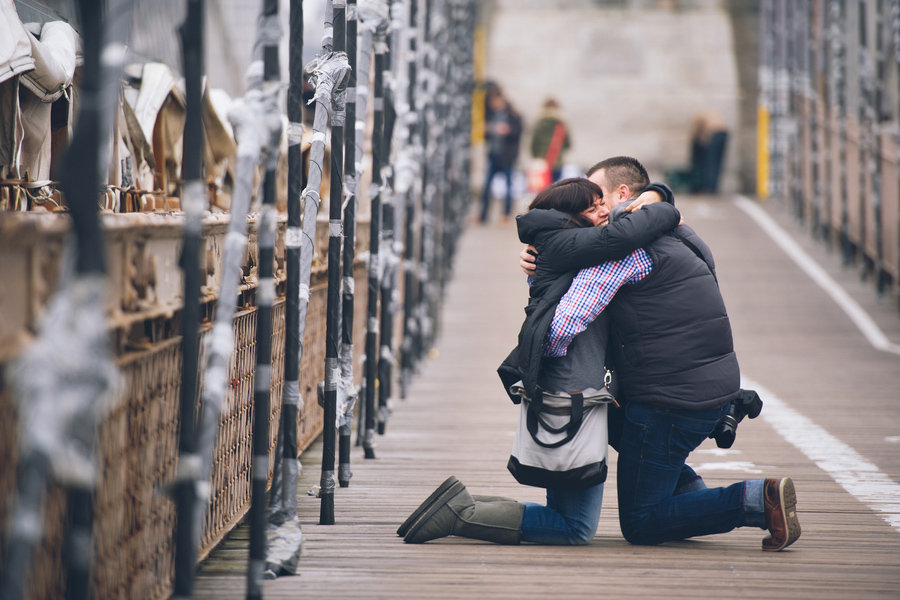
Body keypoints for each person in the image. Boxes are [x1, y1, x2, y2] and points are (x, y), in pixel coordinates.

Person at [525, 156, 800, 551]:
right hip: (712, 389)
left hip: (668, 403)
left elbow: (560, 331)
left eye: (597, 197)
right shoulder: (681, 232)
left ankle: (755, 499)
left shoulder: (620, 250)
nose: (594, 208)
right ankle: (692, 499)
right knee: (611, 422)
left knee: (641, 522)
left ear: (621, 194)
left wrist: (541, 282)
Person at [398, 178, 681, 545]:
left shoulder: (562, 241)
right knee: (576, 529)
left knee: (569, 510)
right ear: (569, 215)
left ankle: (461, 505)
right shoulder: (570, 242)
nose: (603, 212)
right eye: (592, 207)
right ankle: (461, 512)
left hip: (567, 388)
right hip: (574, 393)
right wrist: (663, 202)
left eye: (602, 203)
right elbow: (623, 238)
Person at [480, 91, 523, 223]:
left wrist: (507, 130)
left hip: (507, 156)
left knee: (508, 186)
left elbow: (518, 131)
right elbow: (486, 135)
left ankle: (506, 214)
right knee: (486, 186)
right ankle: (483, 216)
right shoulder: (491, 114)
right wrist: (487, 130)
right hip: (494, 154)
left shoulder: (513, 115)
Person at [529, 98, 571, 183]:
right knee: (556, 186)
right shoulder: (561, 124)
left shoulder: (539, 123)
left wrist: (536, 156)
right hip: (557, 161)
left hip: (542, 162)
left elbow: (534, 143)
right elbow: (568, 144)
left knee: (544, 187)